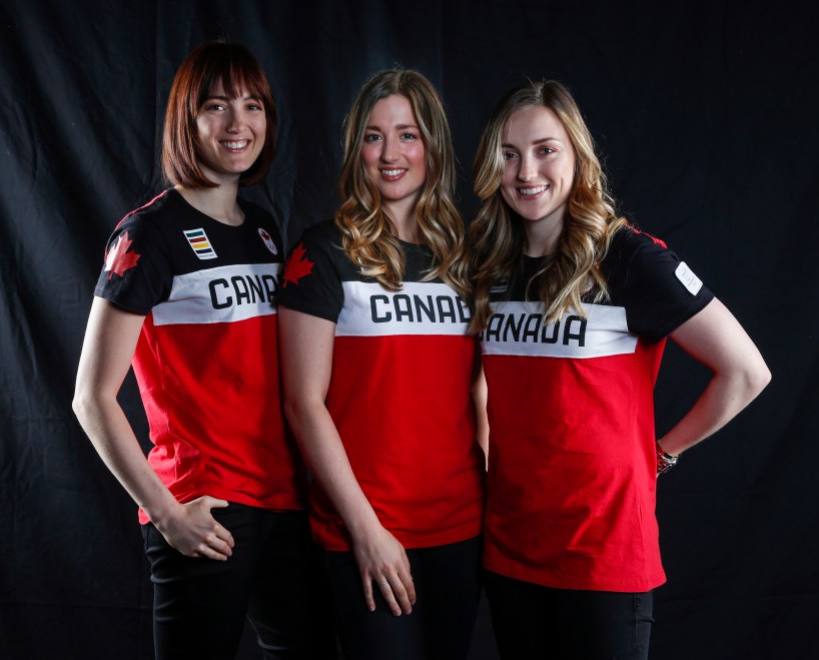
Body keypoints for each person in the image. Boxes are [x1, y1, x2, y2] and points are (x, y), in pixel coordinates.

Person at [468, 80, 771, 660]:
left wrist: (662, 453)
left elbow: (746, 371)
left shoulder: (628, 257)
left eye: (545, 149)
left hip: (602, 554)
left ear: (577, 156)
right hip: (511, 548)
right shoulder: (491, 266)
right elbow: (485, 384)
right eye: (509, 154)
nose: (526, 169)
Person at [72, 41, 333, 660]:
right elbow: (91, 396)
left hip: (285, 501)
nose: (237, 124)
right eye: (216, 107)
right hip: (206, 506)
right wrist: (165, 513)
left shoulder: (264, 226)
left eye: (252, 106)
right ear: (186, 120)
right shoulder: (149, 233)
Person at [277, 69, 485, 660]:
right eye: (373, 136)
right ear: (356, 150)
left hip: (460, 526)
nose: (390, 154)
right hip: (365, 529)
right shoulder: (322, 251)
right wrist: (366, 531)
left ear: (433, 148)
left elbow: (478, 395)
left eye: (408, 135)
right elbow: (303, 403)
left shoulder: (467, 257)